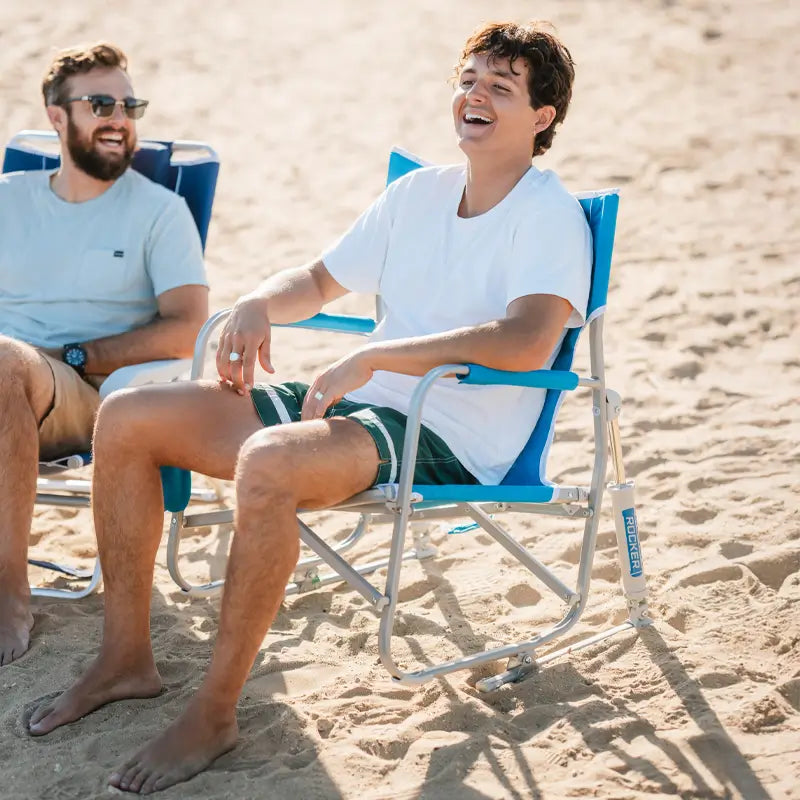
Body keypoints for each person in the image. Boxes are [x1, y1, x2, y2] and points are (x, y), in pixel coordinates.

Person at [28, 21, 592, 795]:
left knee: (268, 461)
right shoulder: (419, 193)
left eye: (502, 87)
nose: (475, 96)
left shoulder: (548, 213)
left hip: (448, 426)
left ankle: (215, 712)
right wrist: (260, 302)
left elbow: (529, 341)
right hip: (360, 404)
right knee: (128, 419)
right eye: (469, 79)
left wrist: (381, 353)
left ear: (543, 117)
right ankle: (125, 659)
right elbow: (321, 282)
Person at [0, 43, 209, 666]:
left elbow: (188, 328)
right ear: (57, 117)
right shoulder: (8, 198)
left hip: (77, 391)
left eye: (128, 104)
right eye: (100, 103)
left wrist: (72, 352)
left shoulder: (159, 212)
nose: (119, 117)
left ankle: (9, 592)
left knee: (6, 364)